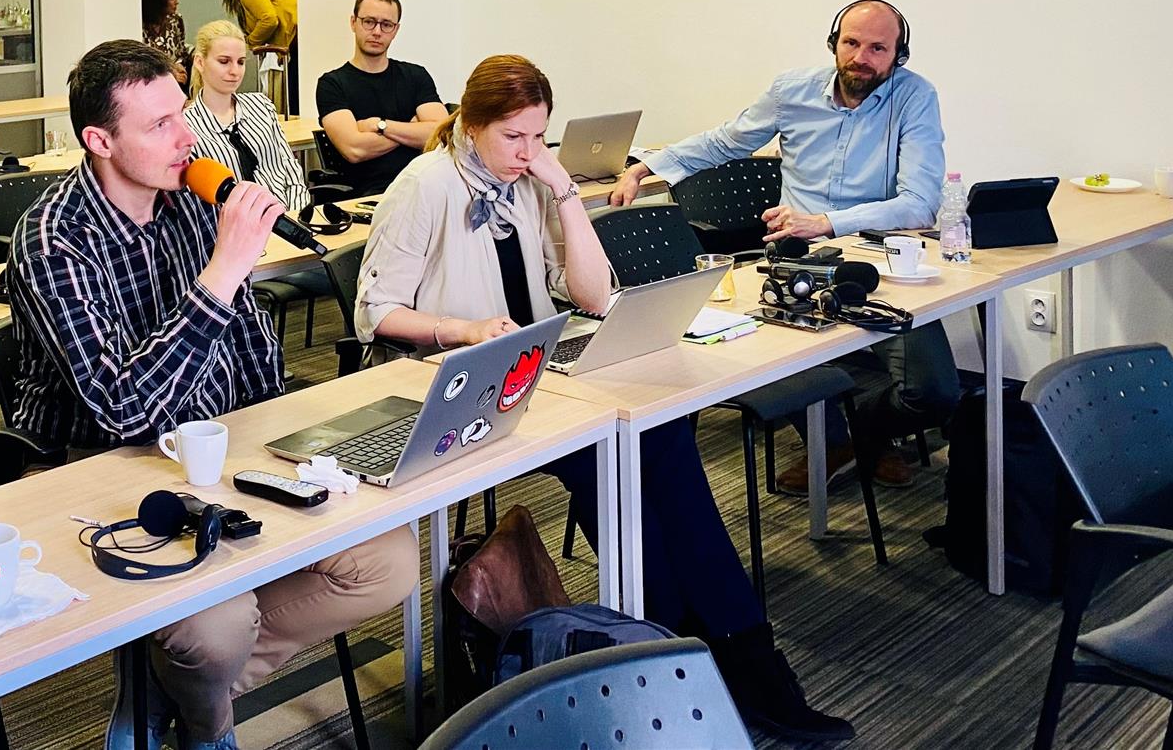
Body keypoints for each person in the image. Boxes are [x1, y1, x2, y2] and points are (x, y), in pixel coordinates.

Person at [358, 54, 854, 744]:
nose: (527, 152)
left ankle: (726, 648)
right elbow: (376, 312)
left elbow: (593, 296)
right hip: (456, 384)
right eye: (513, 137)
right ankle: (694, 658)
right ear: (470, 126)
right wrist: (463, 329)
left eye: (539, 136)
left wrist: (563, 189)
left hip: (532, 370)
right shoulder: (425, 185)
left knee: (663, 435)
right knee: (607, 461)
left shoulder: (530, 181)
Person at [6, 40, 415, 750]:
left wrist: (284, 449)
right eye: (160, 124)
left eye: (182, 114)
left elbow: (249, 341)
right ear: (99, 141)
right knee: (218, 627)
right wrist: (224, 270)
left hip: (225, 446)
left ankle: (171, 690)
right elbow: (122, 411)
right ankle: (209, 723)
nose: (187, 138)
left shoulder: (191, 202)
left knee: (388, 561)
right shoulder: (52, 239)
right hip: (109, 469)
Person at [610, 0, 954, 492]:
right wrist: (645, 167)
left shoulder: (915, 96)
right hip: (797, 261)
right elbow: (726, 141)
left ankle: (857, 438)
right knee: (766, 358)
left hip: (877, 261)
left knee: (934, 392)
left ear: (899, 55)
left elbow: (919, 204)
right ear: (833, 43)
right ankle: (834, 442)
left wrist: (827, 223)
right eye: (851, 43)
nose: (861, 57)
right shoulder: (793, 91)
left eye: (878, 48)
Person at [315, 0, 446, 197]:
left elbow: (441, 134)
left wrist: (380, 125)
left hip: (424, 188)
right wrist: (412, 128)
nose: (377, 32)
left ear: (396, 30)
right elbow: (354, 149)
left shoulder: (416, 76)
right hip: (368, 195)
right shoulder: (332, 84)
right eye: (369, 22)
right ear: (353, 23)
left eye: (386, 25)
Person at [182, 21, 309, 216]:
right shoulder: (187, 127)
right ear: (200, 62)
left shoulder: (261, 105)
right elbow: (200, 204)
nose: (235, 71)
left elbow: (291, 171)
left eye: (240, 62)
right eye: (224, 61)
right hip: (234, 228)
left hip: (288, 218)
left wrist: (294, 217)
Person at [206, 0, 298, 113]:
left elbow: (269, 19)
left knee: (293, 97)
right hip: (296, 36)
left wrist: (250, 42)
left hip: (294, 39)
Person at [140, 0, 188, 88]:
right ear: (158, 2)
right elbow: (142, 65)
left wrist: (177, 64)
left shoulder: (176, 20)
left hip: (177, 84)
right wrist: (169, 73)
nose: (177, 2)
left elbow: (181, 52)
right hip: (150, 85)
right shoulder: (139, 26)